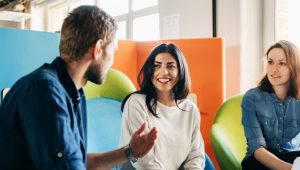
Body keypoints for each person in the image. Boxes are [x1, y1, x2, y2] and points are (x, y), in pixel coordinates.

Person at [0, 5, 157, 170]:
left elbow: (80, 163)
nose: (112, 61)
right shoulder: (44, 91)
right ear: (97, 49)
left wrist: (130, 151)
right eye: (112, 51)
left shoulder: (74, 94)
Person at [119, 43, 205, 169]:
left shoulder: (190, 109)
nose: (163, 72)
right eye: (156, 66)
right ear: (150, 70)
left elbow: (195, 156)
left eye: (170, 66)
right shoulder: (136, 103)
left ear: (180, 72)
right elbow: (143, 161)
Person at [241, 40, 300, 170]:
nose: (274, 69)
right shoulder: (251, 99)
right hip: (260, 159)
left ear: (294, 67)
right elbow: (257, 148)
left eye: (282, 63)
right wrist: (292, 169)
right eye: (270, 62)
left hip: (291, 156)